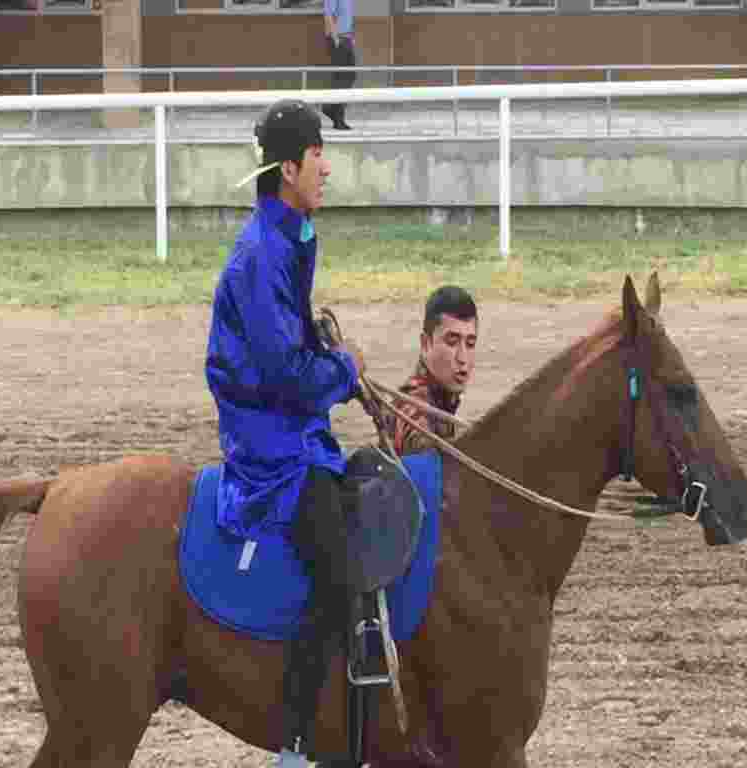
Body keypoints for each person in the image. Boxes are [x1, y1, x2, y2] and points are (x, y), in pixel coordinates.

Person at [205, 98, 366, 768]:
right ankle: (296, 745)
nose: (328, 168)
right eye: (319, 154)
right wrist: (345, 368)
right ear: (291, 168)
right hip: (269, 447)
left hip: (292, 429)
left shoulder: (289, 238)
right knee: (337, 565)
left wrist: (334, 365)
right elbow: (287, 373)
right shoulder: (261, 256)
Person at [384, 285, 478, 456]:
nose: (463, 358)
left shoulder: (441, 399)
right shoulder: (413, 409)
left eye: (470, 344)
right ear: (426, 344)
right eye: (452, 342)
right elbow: (426, 453)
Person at [322, 0, 355, 130]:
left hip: (346, 38)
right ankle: (337, 116)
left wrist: (351, 38)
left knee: (349, 76)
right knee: (342, 77)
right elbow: (328, 15)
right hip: (338, 39)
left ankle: (332, 109)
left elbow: (346, 17)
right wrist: (335, 38)